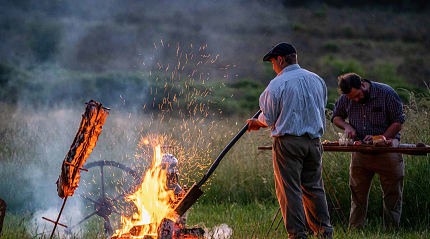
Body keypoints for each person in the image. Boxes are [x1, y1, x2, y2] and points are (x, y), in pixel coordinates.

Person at [247, 42, 333, 239]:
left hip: (288, 143)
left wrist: (255, 122)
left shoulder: (277, 83)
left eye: (273, 63)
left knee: (290, 190)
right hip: (314, 142)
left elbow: (268, 118)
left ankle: (297, 234)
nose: (274, 67)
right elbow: (320, 107)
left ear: (280, 59)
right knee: (314, 188)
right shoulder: (317, 80)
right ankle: (324, 232)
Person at [331, 72, 405, 229]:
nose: (356, 100)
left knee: (392, 195)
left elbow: (398, 121)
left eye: (357, 96)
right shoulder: (347, 97)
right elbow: (336, 116)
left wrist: (380, 138)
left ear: (363, 85)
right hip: (360, 153)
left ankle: (391, 231)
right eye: (352, 99)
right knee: (357, 195)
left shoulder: (386, 93)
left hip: (387, 152)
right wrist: (347, 126)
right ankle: (355, 230)